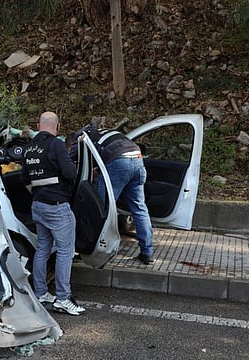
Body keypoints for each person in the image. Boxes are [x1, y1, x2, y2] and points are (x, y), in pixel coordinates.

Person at [20, 111, 85, 316]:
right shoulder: (56, 144)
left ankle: (40, 293)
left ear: (39, 125)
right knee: (66, 251)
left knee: (42, 249)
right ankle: (64, 299)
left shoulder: (29, 148)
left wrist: (39, 192)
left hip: (38, 204)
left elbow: (24, 178)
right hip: (57, 205)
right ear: (56, 126)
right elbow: (70, 172)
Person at [70, 124, 154, 265]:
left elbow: (72, 160)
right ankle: (147, 253)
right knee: (139, 209)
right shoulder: (107, 133)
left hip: (119, 163)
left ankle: (97, 252)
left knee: (101, 210)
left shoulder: (83, 137)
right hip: (138, 159)